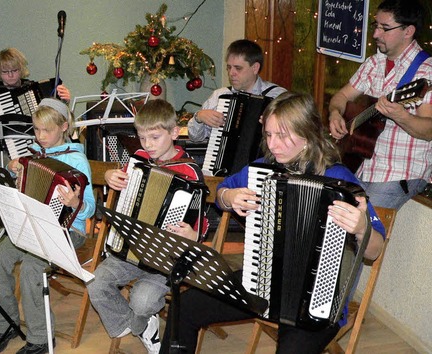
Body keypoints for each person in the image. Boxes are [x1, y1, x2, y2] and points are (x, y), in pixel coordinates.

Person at [160, 92, 386, 354]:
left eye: (282, 135)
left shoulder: (341, 181)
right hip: (260, 280)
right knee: (185, 305)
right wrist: (229, 196)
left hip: (316, 302)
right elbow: (221, 192)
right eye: (268, 135)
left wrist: (361, 229)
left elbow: (375, 251)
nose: (273, 144)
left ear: (307, 134)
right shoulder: (263, 169)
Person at [87, 99, 209, 354]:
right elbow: (119, 178)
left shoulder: (189, 172)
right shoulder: (138, 159)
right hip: (128, 249)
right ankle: (138, 326)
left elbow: (203, 220)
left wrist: (194, 234)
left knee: (141, 300)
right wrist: (111, 177)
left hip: (165, 260)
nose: (148, 145)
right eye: (142, 137)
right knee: (95, 282)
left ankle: (140, 321)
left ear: (174, 133)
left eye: (154, 137)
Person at [0, 98, 95, 354]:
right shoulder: (34, 155)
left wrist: (76, 201)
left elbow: (90, 209)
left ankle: (41, 338)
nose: (40, 136)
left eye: (47, 130)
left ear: (64, 127)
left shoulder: (77, 160)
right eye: (36, 130)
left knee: (31, 268)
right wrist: (13, 170)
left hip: (69, 230)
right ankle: (6, 324)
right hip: (32, 225)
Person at [328, 0, 432, 210]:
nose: (376, 34)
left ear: (408, 31)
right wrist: (335, 114)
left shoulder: (426, 71)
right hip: (361, 162)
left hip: (399, 172)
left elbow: (429, 130)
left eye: (385, 28)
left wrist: (401, 115)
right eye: (376, 26)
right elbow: (340, 97)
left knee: (360, 229)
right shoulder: (374, 63)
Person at [0, 47, 71, 166]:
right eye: (5, 72)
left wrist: (65, 102)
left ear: (21, 69)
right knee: (12, 168)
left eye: (14, 70)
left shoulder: (35, 89)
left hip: (31, 144)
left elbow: (56, 118)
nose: (10, 75)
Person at [187, 39, 286, 142]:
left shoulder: (278, 96)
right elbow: (195, 138)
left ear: (255, 68)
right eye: (229, 67)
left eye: (238, 68)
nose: (231, 73)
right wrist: (199, 117)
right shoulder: (219, 96)